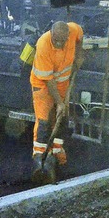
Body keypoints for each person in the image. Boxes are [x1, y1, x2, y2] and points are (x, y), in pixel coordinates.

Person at [30, 21, 84, 184]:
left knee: (61, 119)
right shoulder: (44, 44)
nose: (59, 43)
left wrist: (79, 55)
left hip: (63, 82)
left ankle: (57, 153)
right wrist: (59, 102)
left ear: (68, 36)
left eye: (62, 40)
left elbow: (80, 38)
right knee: (45, 120)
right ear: (51, 33)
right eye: (56, 40)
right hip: (43, 85)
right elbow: (49, 81)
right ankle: (40, 158)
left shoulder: (74, 30)